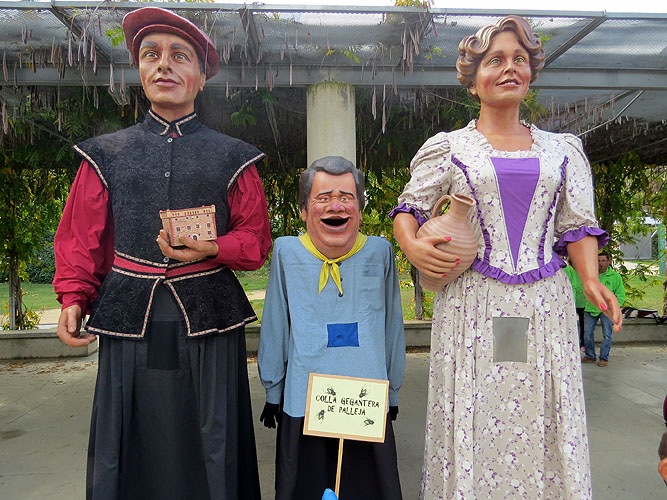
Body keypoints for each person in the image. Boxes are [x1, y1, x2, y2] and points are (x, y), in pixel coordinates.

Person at [391, 15, 622, 500]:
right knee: (475, 404)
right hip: (471, 303)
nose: (509, 68)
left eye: (519, 59)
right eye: (495, 60)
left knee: (543, 406)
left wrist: (590, 279)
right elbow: (409, 209)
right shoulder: (449, 148)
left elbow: (576, 225)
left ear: (531, 73)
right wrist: (411, 245)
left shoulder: (564, 150)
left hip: (545, 305)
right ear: (473, 78)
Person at [53, 7, 270, 499]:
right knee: (131, 434)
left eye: (179, 56)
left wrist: (213, 247)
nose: (163, 65)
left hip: (210, 316)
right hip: (130, 314)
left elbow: (255, 241)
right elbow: (81, 236)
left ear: (202, 78)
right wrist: (73, 297)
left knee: (213, 433)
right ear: (140, 71)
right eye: (151, 55)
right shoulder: (104, 154)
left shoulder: (235, 156)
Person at [257, 156, 405, 500]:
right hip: (305, 397)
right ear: (303, 211)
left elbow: (392, 326)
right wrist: (273, 389)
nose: (335, 206)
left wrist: (393, 390)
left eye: (346, 197)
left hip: (365, 398)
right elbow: (276, 323)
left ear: (360, 209)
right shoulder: (287, 252)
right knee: (307, 485)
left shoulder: (380, 252)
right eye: (323, 198)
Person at [582, 251, 625, 367]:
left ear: (609, 262)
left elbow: (621, 295)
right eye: (598, 261)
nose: (600, 263)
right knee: (587, 333)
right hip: (591, 308)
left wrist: (614, 308)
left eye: (603, 261)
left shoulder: (615, 277)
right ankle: (590, 355)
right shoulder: (590, 275)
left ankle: (603, 357)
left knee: (607, 334)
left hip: (607, 310)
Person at [564, 259, 586, 348]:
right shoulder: (567, 269)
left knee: (583, 324)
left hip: (583, 302)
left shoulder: (584, 270)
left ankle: (583, 343)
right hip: (570, 302)